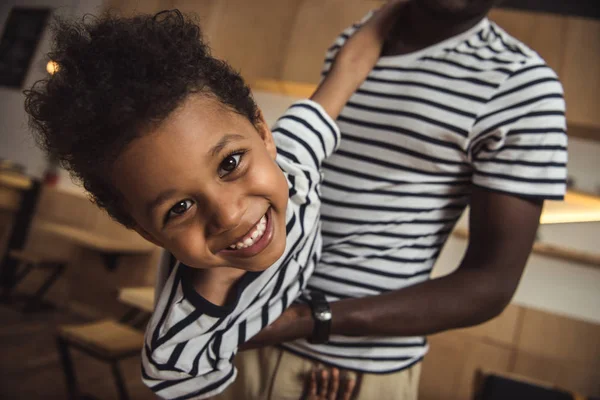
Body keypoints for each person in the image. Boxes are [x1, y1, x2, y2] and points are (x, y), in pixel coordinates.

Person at [24, 3, 405, 399]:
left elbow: (349, 66)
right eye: (179, 208)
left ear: (263, 133)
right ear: (146, 232)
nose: (228, 215)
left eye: (230, 163)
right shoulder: (177, 348)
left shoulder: (297, 159)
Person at [218, 0, 568, 399]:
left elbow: (491, 285)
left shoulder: (523, 84)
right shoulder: (359, 40)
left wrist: (307, 319)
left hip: (340, 370)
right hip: (251, 333)